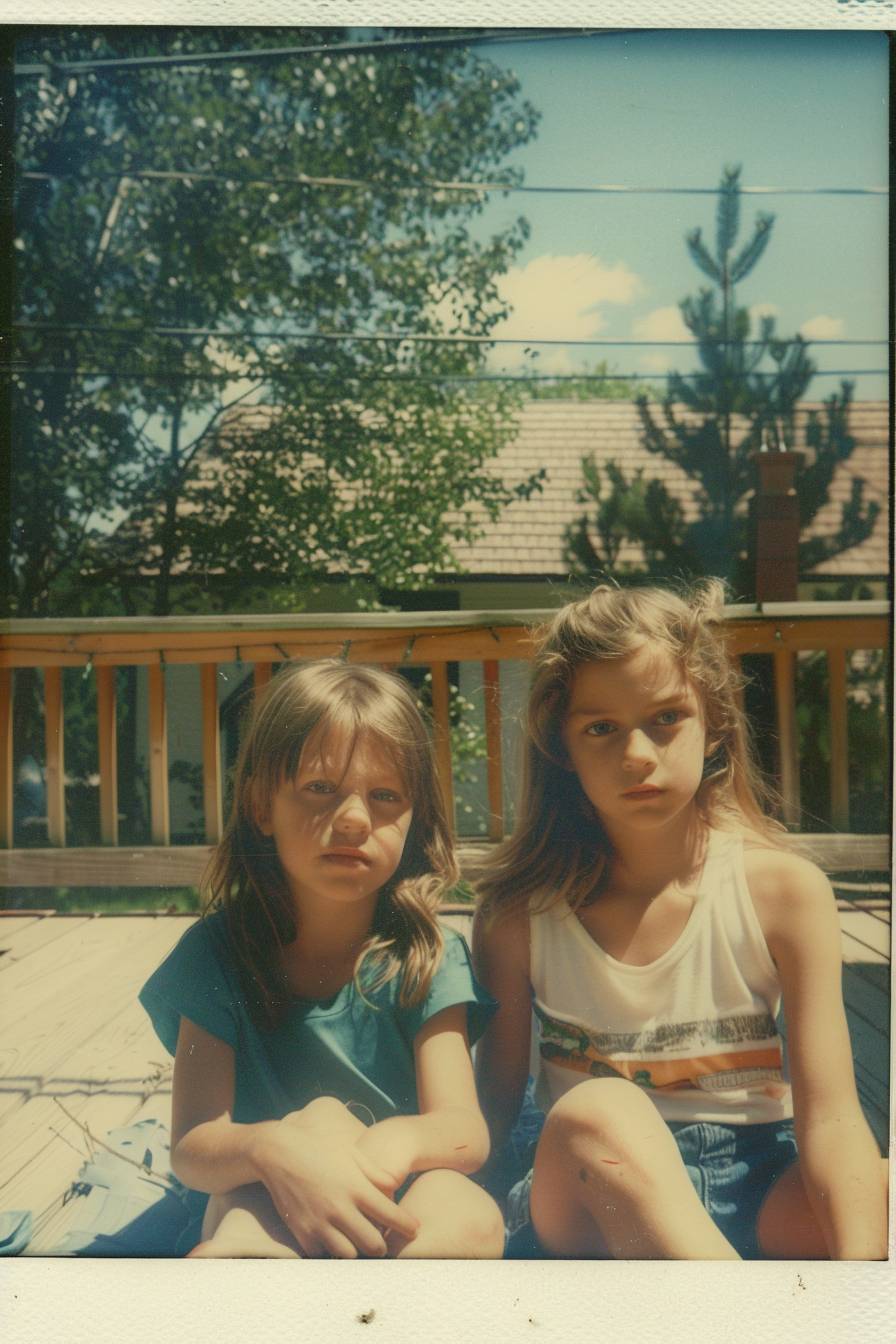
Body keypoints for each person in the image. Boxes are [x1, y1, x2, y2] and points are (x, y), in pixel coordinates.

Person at [473, 580, 887, 1260]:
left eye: (666, 718)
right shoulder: (519, 913)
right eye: (600, 727)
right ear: (561, 748)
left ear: (714, 723)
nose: (637, 753)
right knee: (598, 1114)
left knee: (881, 1193)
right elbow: (495, 1108)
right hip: (594, 1188)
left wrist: (859, 1282)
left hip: (757, 1173)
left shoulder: (784, 891)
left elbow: (834, 1115)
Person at [140, 659, 503, 1259]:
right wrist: (275, 1151)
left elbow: (464, 1132)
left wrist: (390, 1145)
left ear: (414, 823)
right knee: (241, 1224)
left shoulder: (426, 956)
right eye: (320, 789)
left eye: (385, 796)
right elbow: (194, 1145)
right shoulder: (215, 956)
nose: (356, 819)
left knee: (471, 1217)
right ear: (261, 806)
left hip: (399, 1191)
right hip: (273, 1192)